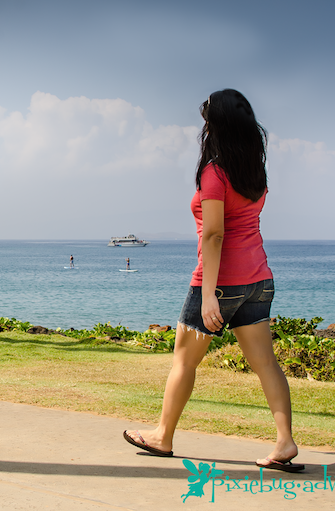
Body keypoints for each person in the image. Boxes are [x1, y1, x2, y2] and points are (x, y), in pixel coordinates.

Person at [123, 89, 302, 473]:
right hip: (258, 280)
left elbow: (215, 234)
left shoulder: (215, 172)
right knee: (266, 364)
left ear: (216, 126)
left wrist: (208, 296)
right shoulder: (254, 171)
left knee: (184, 362)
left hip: (219, 283)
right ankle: (284, 442)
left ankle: (162, 436)